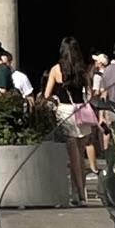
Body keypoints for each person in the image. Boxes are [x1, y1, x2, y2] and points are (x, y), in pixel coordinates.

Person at [44, 37, 97, 208]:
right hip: (82, 113)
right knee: (80, 156)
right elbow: (90, 94)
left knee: (73, 158)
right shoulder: (83, 70)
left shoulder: (56, 69)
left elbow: (47, 95)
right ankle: (80, 193)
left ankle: (79, 193)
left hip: (65, 112)